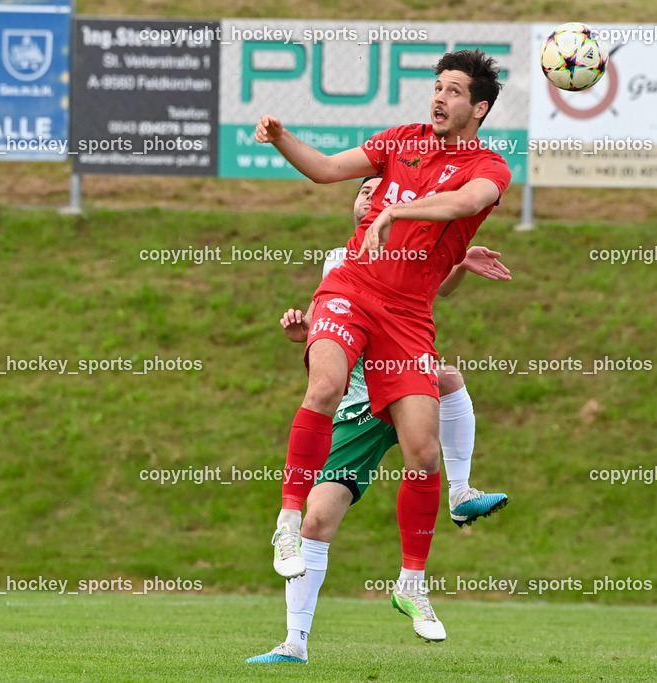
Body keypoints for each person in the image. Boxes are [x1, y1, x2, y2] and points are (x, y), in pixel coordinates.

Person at [256, 50, 511, 638]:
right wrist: (281, 138)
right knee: (326, 384)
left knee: (423, 455)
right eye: (437, 87)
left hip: (407, 318)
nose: (439, 98)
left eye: (454, 91)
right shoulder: (400, 140)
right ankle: (288, 519)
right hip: (353, 288)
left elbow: (467, 203)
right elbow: (322, 169)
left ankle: (412, 583)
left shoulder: (491, 167)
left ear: (479, 107)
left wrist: (401, 211)